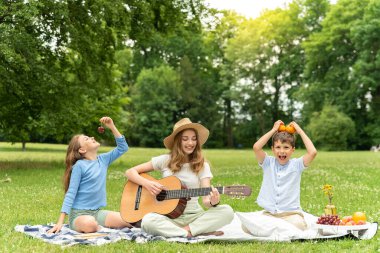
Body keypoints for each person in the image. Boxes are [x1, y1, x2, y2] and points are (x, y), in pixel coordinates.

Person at [125, 118, 234, 237]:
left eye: (194, 139)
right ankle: (192, 232)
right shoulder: (165, 160)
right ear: (178, 141)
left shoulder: (202, 166)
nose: (190, 143)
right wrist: (147, 184)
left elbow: (206, 201)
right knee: (148, 221)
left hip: (194, 217)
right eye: (185, 139)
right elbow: (130, 172)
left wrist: (213, 202)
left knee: (227, 211)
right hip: (169, 218)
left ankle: (183, 231)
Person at [48, 117, 132, 233]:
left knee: (129, 221)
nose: (92, 137)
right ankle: (97, 227)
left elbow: (123, 148)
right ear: (82, 150)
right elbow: (70, 193)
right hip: (79, 215)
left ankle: (99, 226)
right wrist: (60, 222)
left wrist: (112, 126)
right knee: (90, 224)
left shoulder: (103, 160)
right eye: (86, 139)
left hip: (97, 213)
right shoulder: (79, 166)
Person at [252, 120, 317, 230]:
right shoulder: (268, 163)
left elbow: (312, 152)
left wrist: (299, 131)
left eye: (286, 147)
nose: (282, 151)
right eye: (278, 147)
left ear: (293, 150)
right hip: (270, 214)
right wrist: (273, 130)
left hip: (290, 215)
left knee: (299, 225)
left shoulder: (297, 165)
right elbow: (256, 147)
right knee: (248, 226)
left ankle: (277, 228)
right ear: (272, 149)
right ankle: (277, 227)